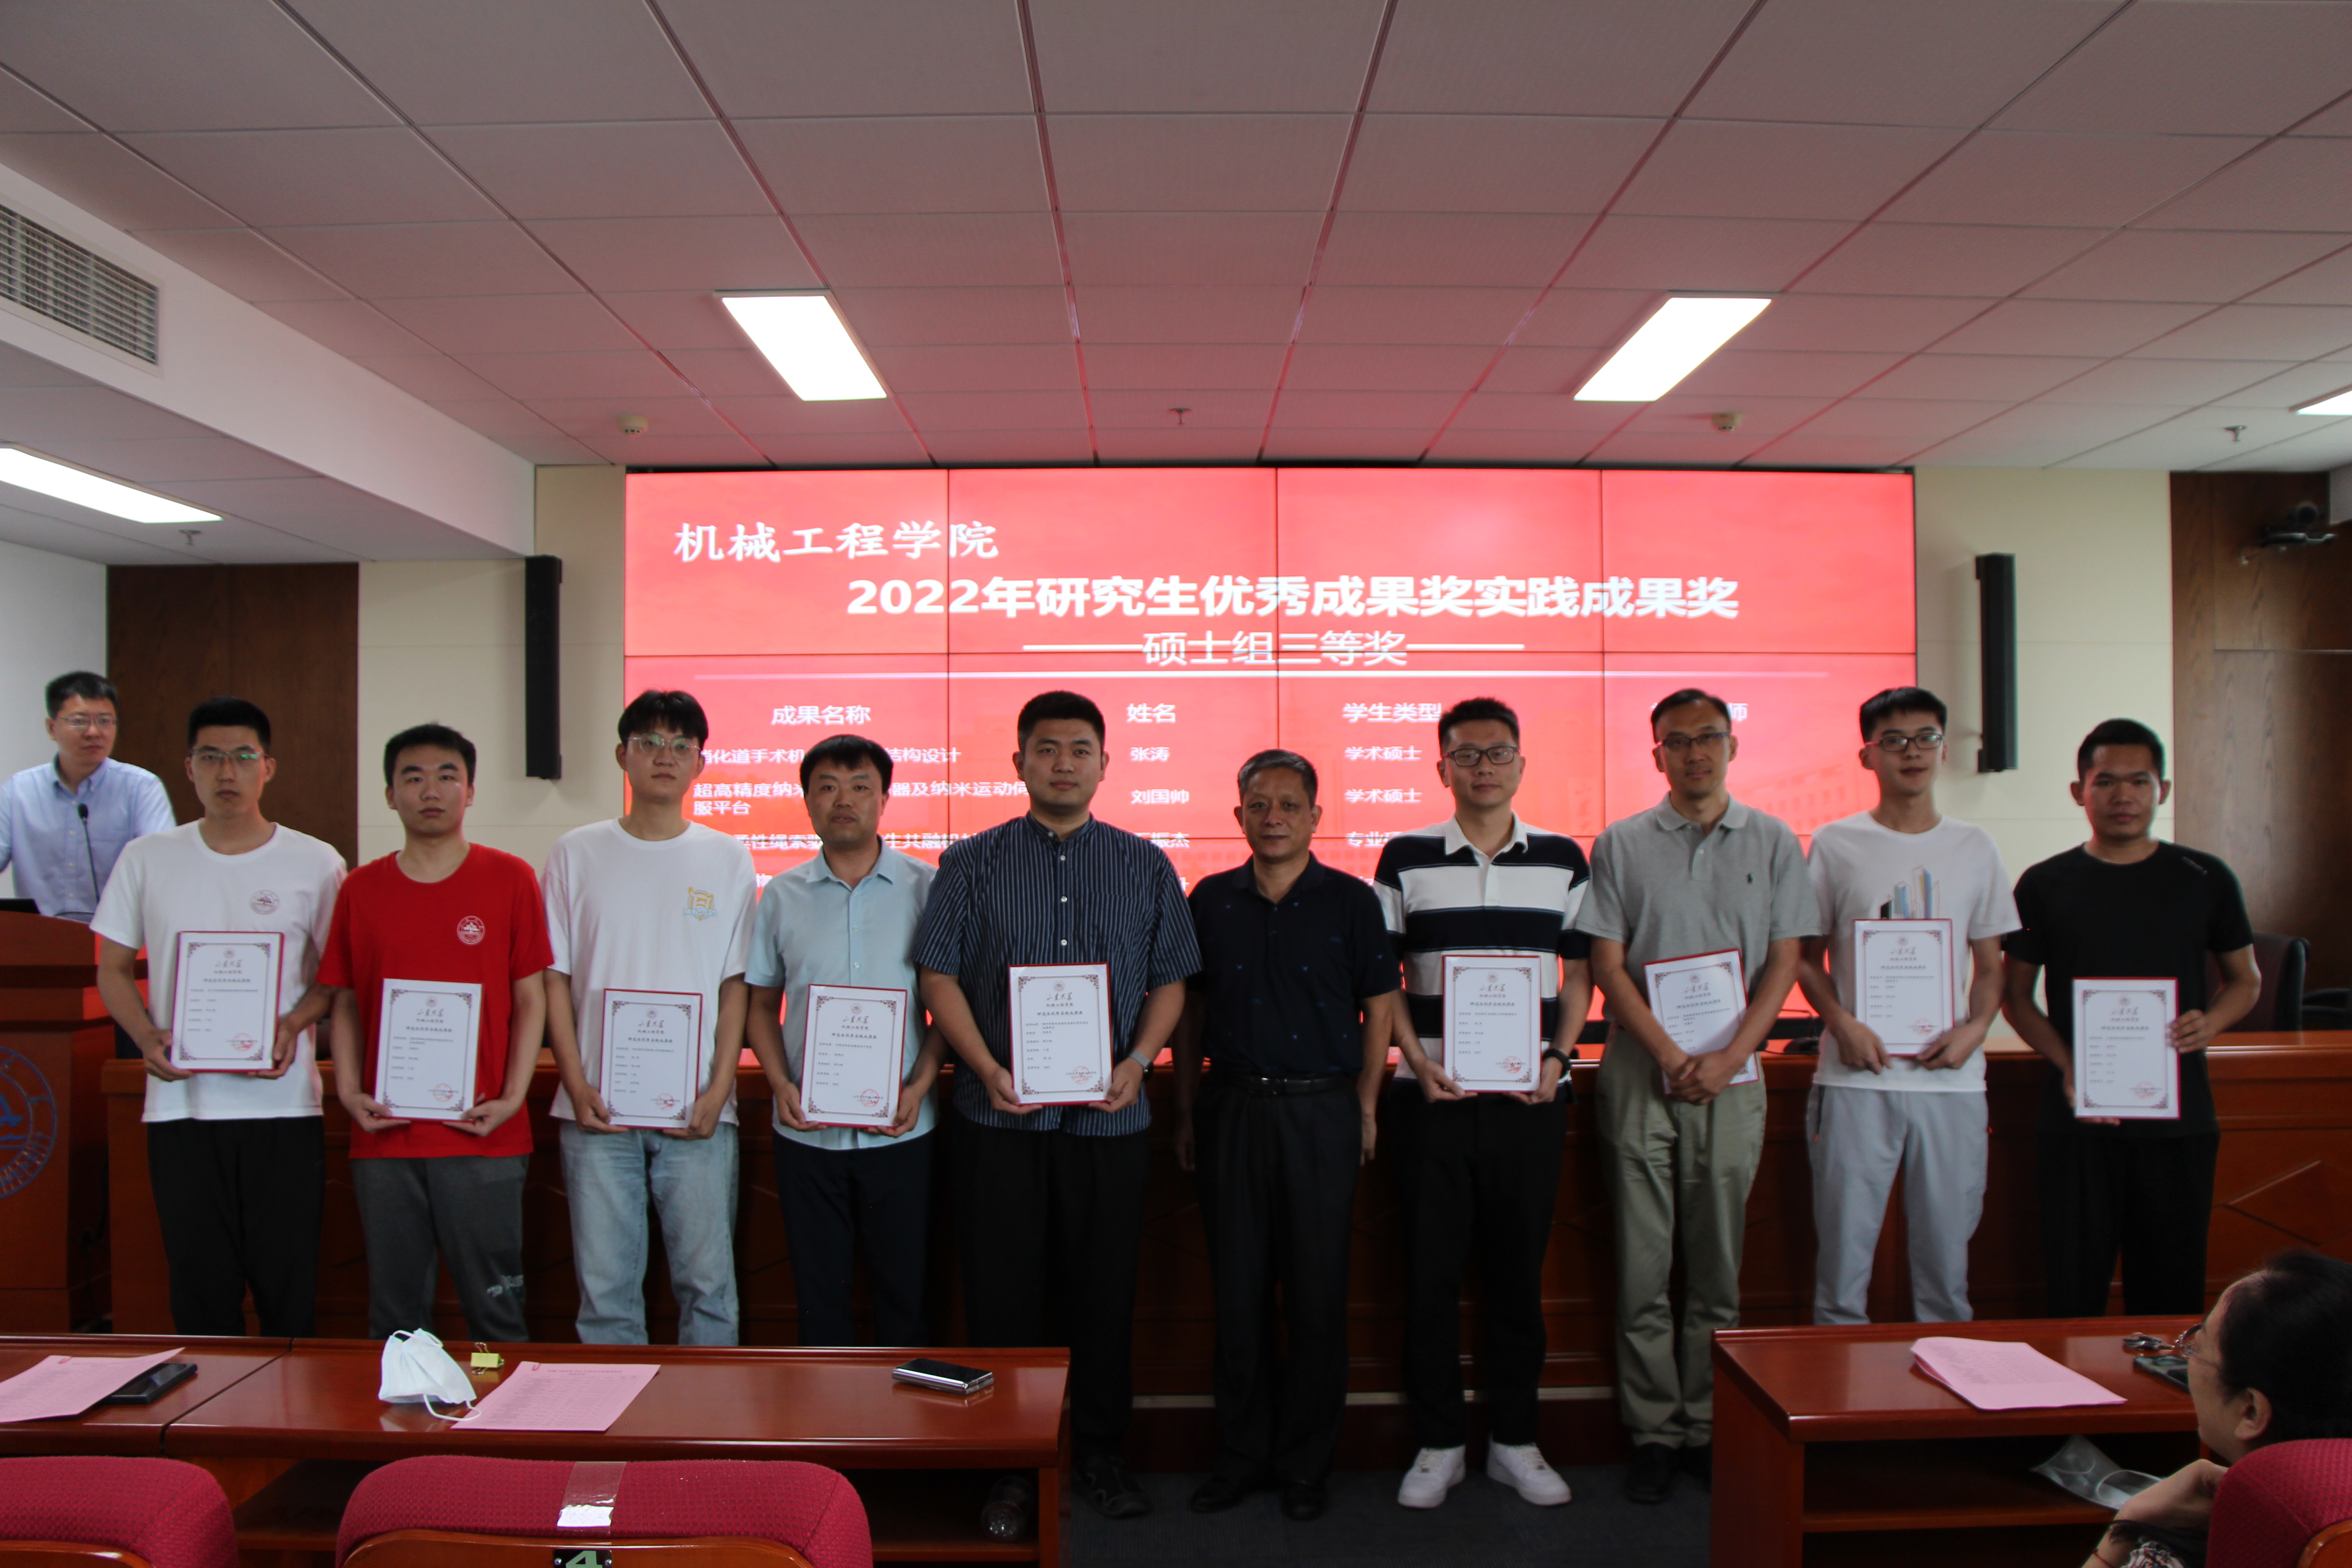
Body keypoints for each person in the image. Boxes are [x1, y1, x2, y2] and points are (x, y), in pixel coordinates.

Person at [915, 690, 1200, 1523]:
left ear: (1105, 764)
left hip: (1109, 1122)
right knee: (1001, 1299)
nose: (1063, 764)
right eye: (1046, 749)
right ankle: (1007, 1465)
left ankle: (1101, 1456)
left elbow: (1172, 980)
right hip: (998, 1120)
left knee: (1103, 1296)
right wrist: (985, 1066)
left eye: (1079, 749)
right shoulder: (970, 862)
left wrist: (1138, 1062)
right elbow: (937, 975)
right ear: (1019, 763)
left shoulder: (1145, 864)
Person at [1578, 687, 1815, 1505]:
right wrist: (1673, 1054)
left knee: (1716, 1269)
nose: (1693, 753)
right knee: (1641, 1268)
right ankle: (1653, 1430)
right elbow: (1607, 965)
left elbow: (1785, 959)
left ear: (1731, 745)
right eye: (1676, 742)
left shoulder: (1774, 839)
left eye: (1707, 737)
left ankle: (1708, 1425)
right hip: (1640, 1074)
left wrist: (1729, 1056)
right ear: (1657, 756)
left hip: (1733, 1079)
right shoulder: (1622, 842)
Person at [1375, 696, 1592, 1512]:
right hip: (1430, 1100)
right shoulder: (1405, 858)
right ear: (1442, 768)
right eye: (1465, 755)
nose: (1483, 768)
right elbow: (1384, 981)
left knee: (1516, 1278)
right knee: (1428, 1277)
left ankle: (1514, 1440)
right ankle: (1438, 1444)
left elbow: (1580, 974)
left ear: (1521, 764)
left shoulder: (1564, 859)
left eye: (1498, 753)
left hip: (1531, 1101)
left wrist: (1558, 1057)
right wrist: (1415, 1058)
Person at [1175, 750, 1398, 1523]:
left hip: (1321, 1113)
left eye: (1289, 805)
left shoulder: (1351, 902)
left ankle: (1306, 1465)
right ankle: (1240, 1457)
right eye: (1258, 805)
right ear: (1237, 816)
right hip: (1231, 1107)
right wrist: (1184, 1110)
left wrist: (1365, 1107)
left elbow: (1380, 1007)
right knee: (1236, 1295)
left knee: (1315, 1296)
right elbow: (1190, 1013)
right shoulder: (1209, 900)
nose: (1273, 818)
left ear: (1315, 817)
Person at [92, 697, 343, 1336]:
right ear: (189, 768)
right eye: (210, 757)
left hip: (282, 1107)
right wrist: (144, 1035)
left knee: (288, 1288)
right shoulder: (147, 858)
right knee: (201, 1292)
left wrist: (293, 1024)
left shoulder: (316, 862)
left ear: (268, 768)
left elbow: (334, 978)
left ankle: (292, 1405)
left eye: (242, 756)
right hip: (183, 1107)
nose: (226, 772)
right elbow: (112, 968)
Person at [2003, 719, 2259, 1318]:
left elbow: (2246, 982)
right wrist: (2070, 1064)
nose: (2124, 796)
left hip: (2178, 1122)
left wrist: (2211, 1023)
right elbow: (2015, 997)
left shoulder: (2205, 878)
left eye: (2140, 781)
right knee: (2073, 1293)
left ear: (2162, 789)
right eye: (2106, 781)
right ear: (2079, 792)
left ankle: (2163, 1387)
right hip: (2078, 1121)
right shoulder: (2044, 884)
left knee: (2170, 1297)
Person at [318, 724, 551, 1342]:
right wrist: (348, 1092)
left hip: (484, 1132)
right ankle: (406, 1406)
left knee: (495, 1316)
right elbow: (344, 1001)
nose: (431, 791)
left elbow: (531, 999)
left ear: (469, 791)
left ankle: (497, 1401)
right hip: (385, 1135)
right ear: (389, 794)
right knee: (396, 1318)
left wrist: (513, 1098)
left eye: (448, 776)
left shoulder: (511, 879)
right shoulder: (360, 889)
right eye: (413, 777)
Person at [1797, 687, 2019, 1326]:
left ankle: (1944, 1389)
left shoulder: (1976, 846)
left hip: (1950, 1082)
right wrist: (1841, 1023)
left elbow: (1991, 965)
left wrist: (1976, 1028)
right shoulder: (1836, 843)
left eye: (1925, 738)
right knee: (1842, 1273)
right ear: (1868, 756)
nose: (1911, 753)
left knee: (1946, 1276)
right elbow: (1805, 958)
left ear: (1944, 750)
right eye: (1893, 741)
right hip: (1856, 1078)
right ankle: (1839, 1387)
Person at [543, 690, 755, 1345]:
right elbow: (555, 978)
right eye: (650, 743)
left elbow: (736, 986)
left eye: (681, 745)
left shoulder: (727, 857)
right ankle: (615, 1416)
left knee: (709, 1289)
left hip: (698, 1111)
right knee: (605, 1294)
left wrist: (720, 1089)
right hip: (596, 1110)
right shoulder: (575, 852)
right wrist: (575, 1082)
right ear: (622, 756)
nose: (666, 756)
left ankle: (707, 1415)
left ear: (700, 763)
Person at [744, 733, 947, 1348]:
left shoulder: (928, 888)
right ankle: (825, 1410)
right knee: (819, 1296)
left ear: (885, 798)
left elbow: (948, 1006)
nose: (844, 800)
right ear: (807, 801)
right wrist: (779, 1083)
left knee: (906, 1293)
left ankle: (907, 1407)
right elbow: (760, 1004)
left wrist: (921, 1085)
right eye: (827, 787)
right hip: (807, 1131)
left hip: (903, 1128)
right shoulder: (781, 896)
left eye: (860, 787)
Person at [2082, 1250, 2352, 1568]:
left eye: (2196, 1347)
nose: (2186, 1358)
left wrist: (2127, 1525)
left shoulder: (2177, 1555)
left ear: (2251, 1411)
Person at [1, 671, 175, 920]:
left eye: (105, 721)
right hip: (39, 936)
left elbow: (161, 869)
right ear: (52, 728)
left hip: (116, 936)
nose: (94, 732)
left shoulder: (141, 789)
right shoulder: (18, 792)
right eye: (79, 721)